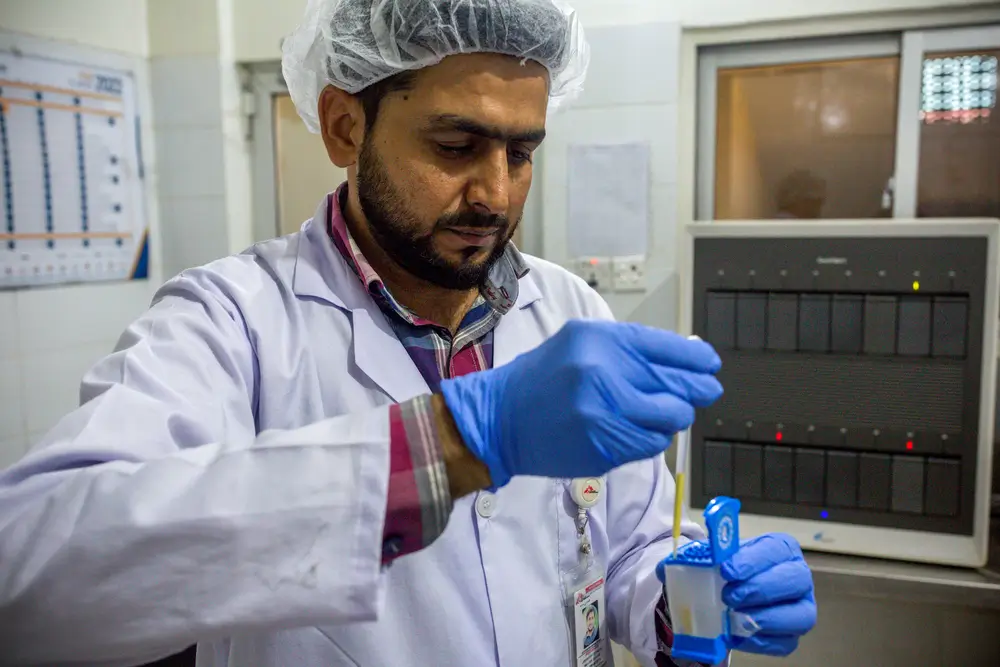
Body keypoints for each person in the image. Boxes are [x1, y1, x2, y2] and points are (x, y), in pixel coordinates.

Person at [0, 1, 817, 665]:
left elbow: (628, 549)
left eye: (522, 152)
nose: (495, 194)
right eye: (457, 145)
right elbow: (29, 583)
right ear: (344, 127)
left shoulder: (572, 313)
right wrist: (454, 442)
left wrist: (689, 596)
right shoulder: (231, 323)